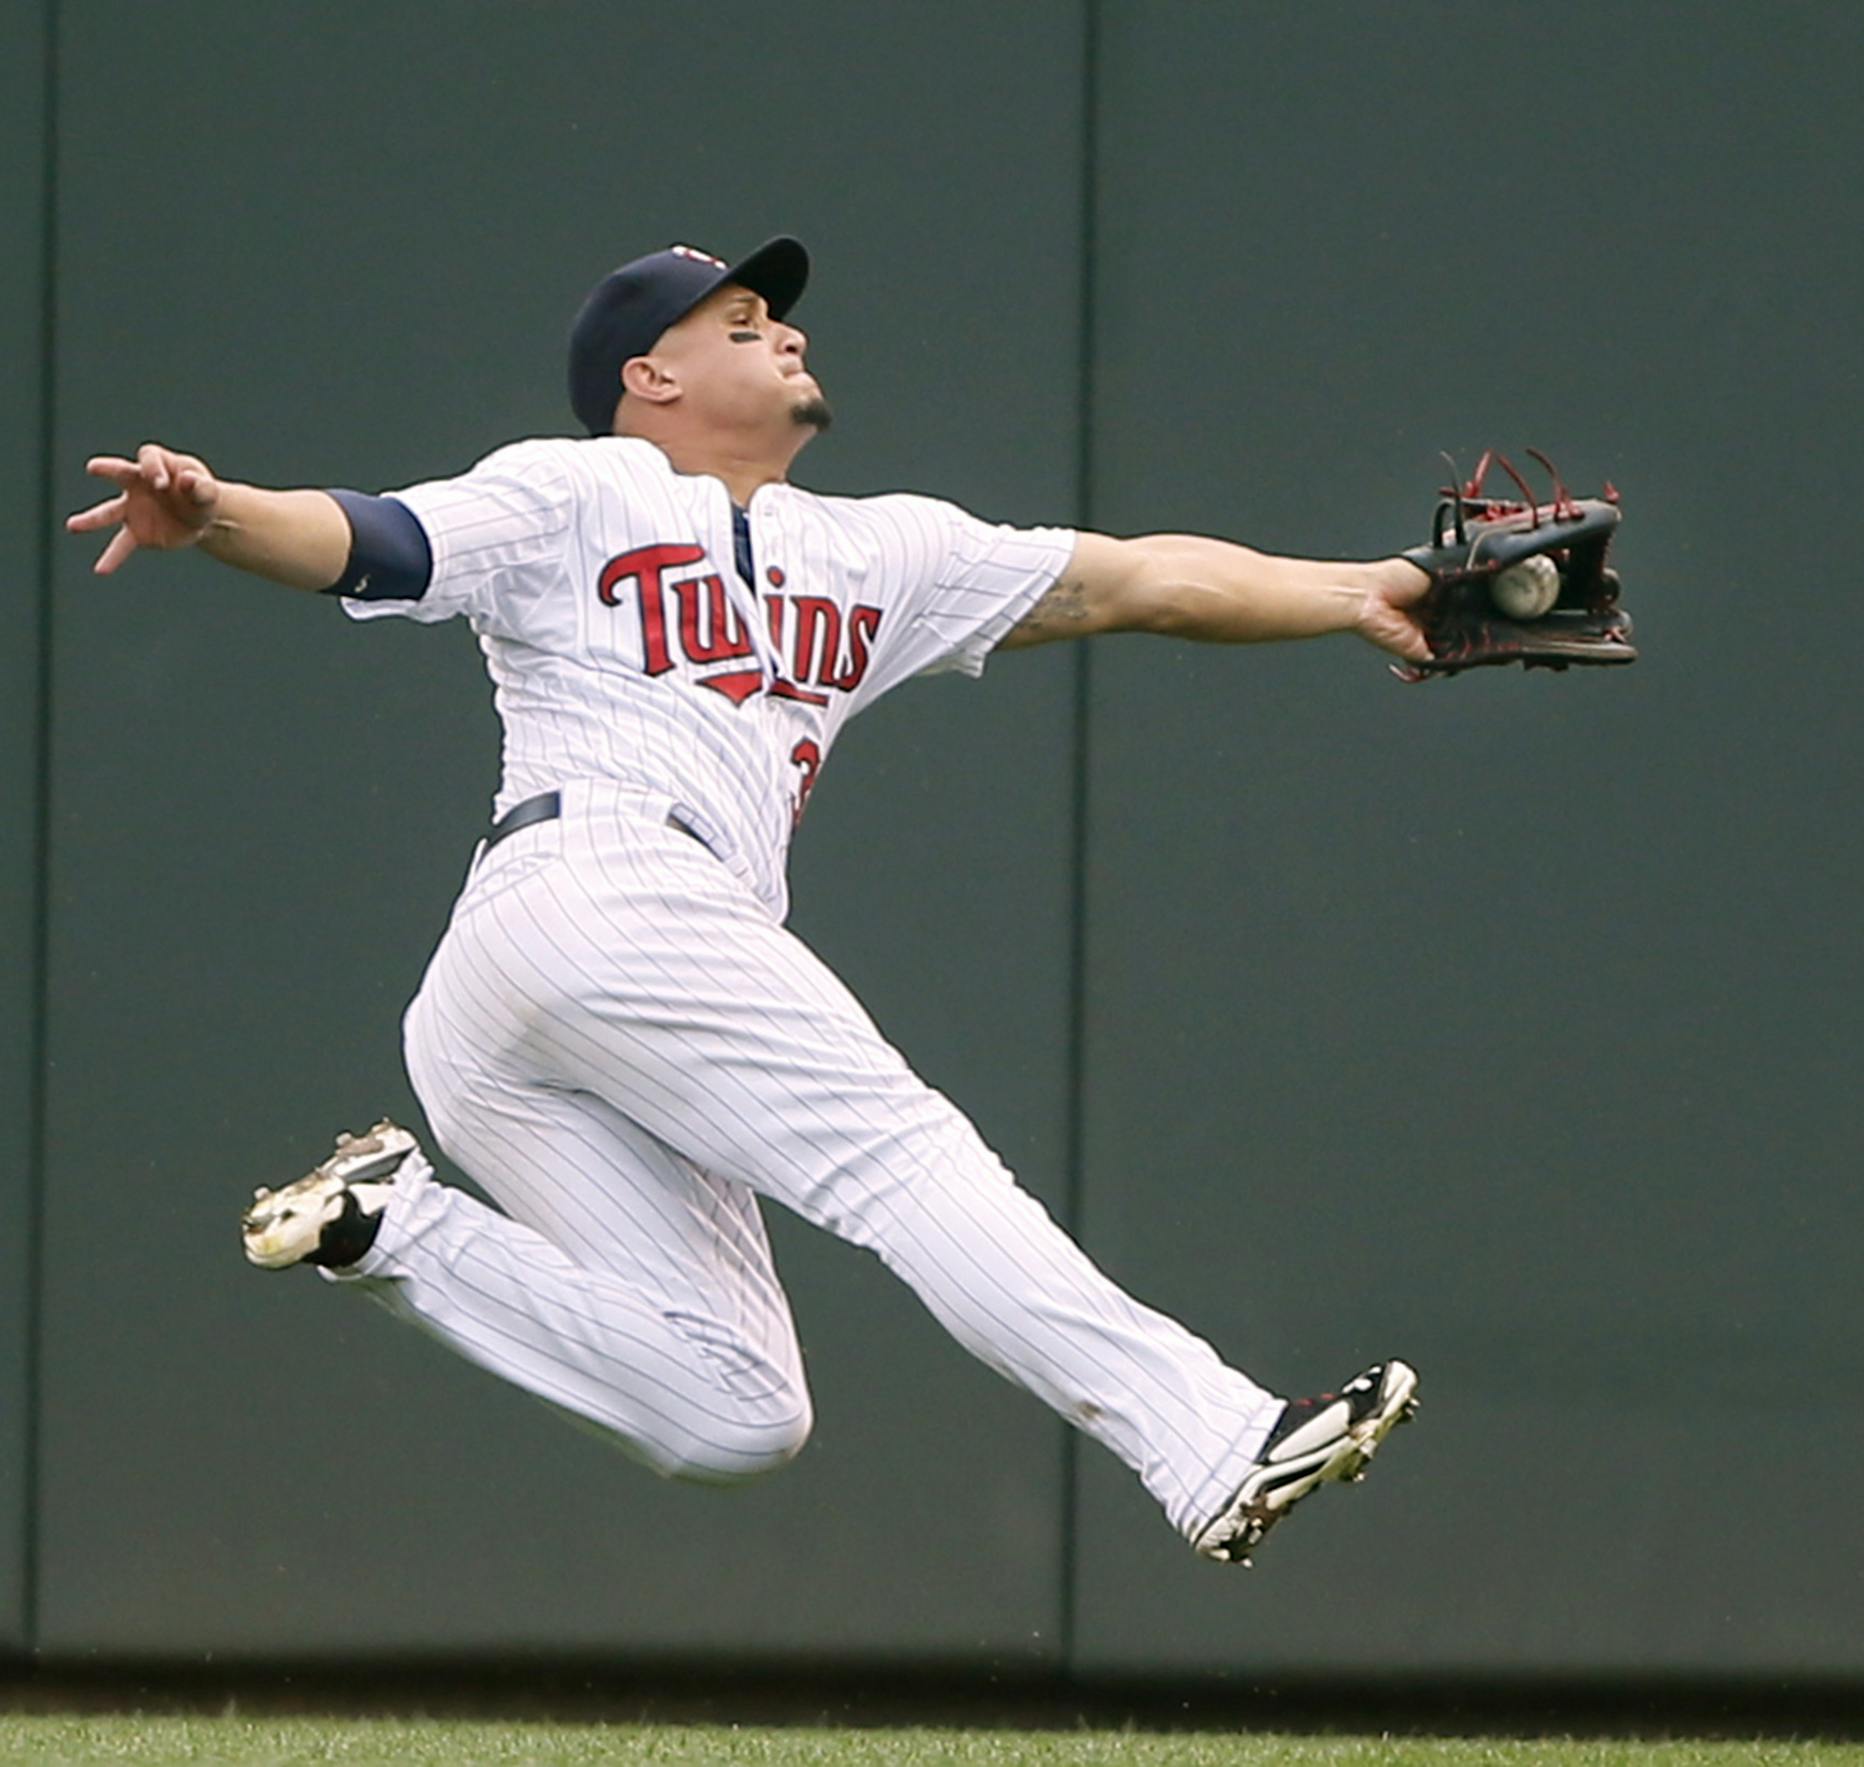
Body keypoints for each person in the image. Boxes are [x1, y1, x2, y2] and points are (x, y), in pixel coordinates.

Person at [64, 237, 1421, 1565]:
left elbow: (1144, 580)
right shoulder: (574, 490)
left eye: (778, 316)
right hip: (600, 882)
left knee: (737, 1414)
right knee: (904, 1162)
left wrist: (1369, 591)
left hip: (528, 997)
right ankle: (1212, 1440)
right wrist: (221, 512)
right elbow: (374, 539)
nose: (787, 330)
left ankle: (389, 1223)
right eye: (741, 319)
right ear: (648, 377)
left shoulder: (885, 553)